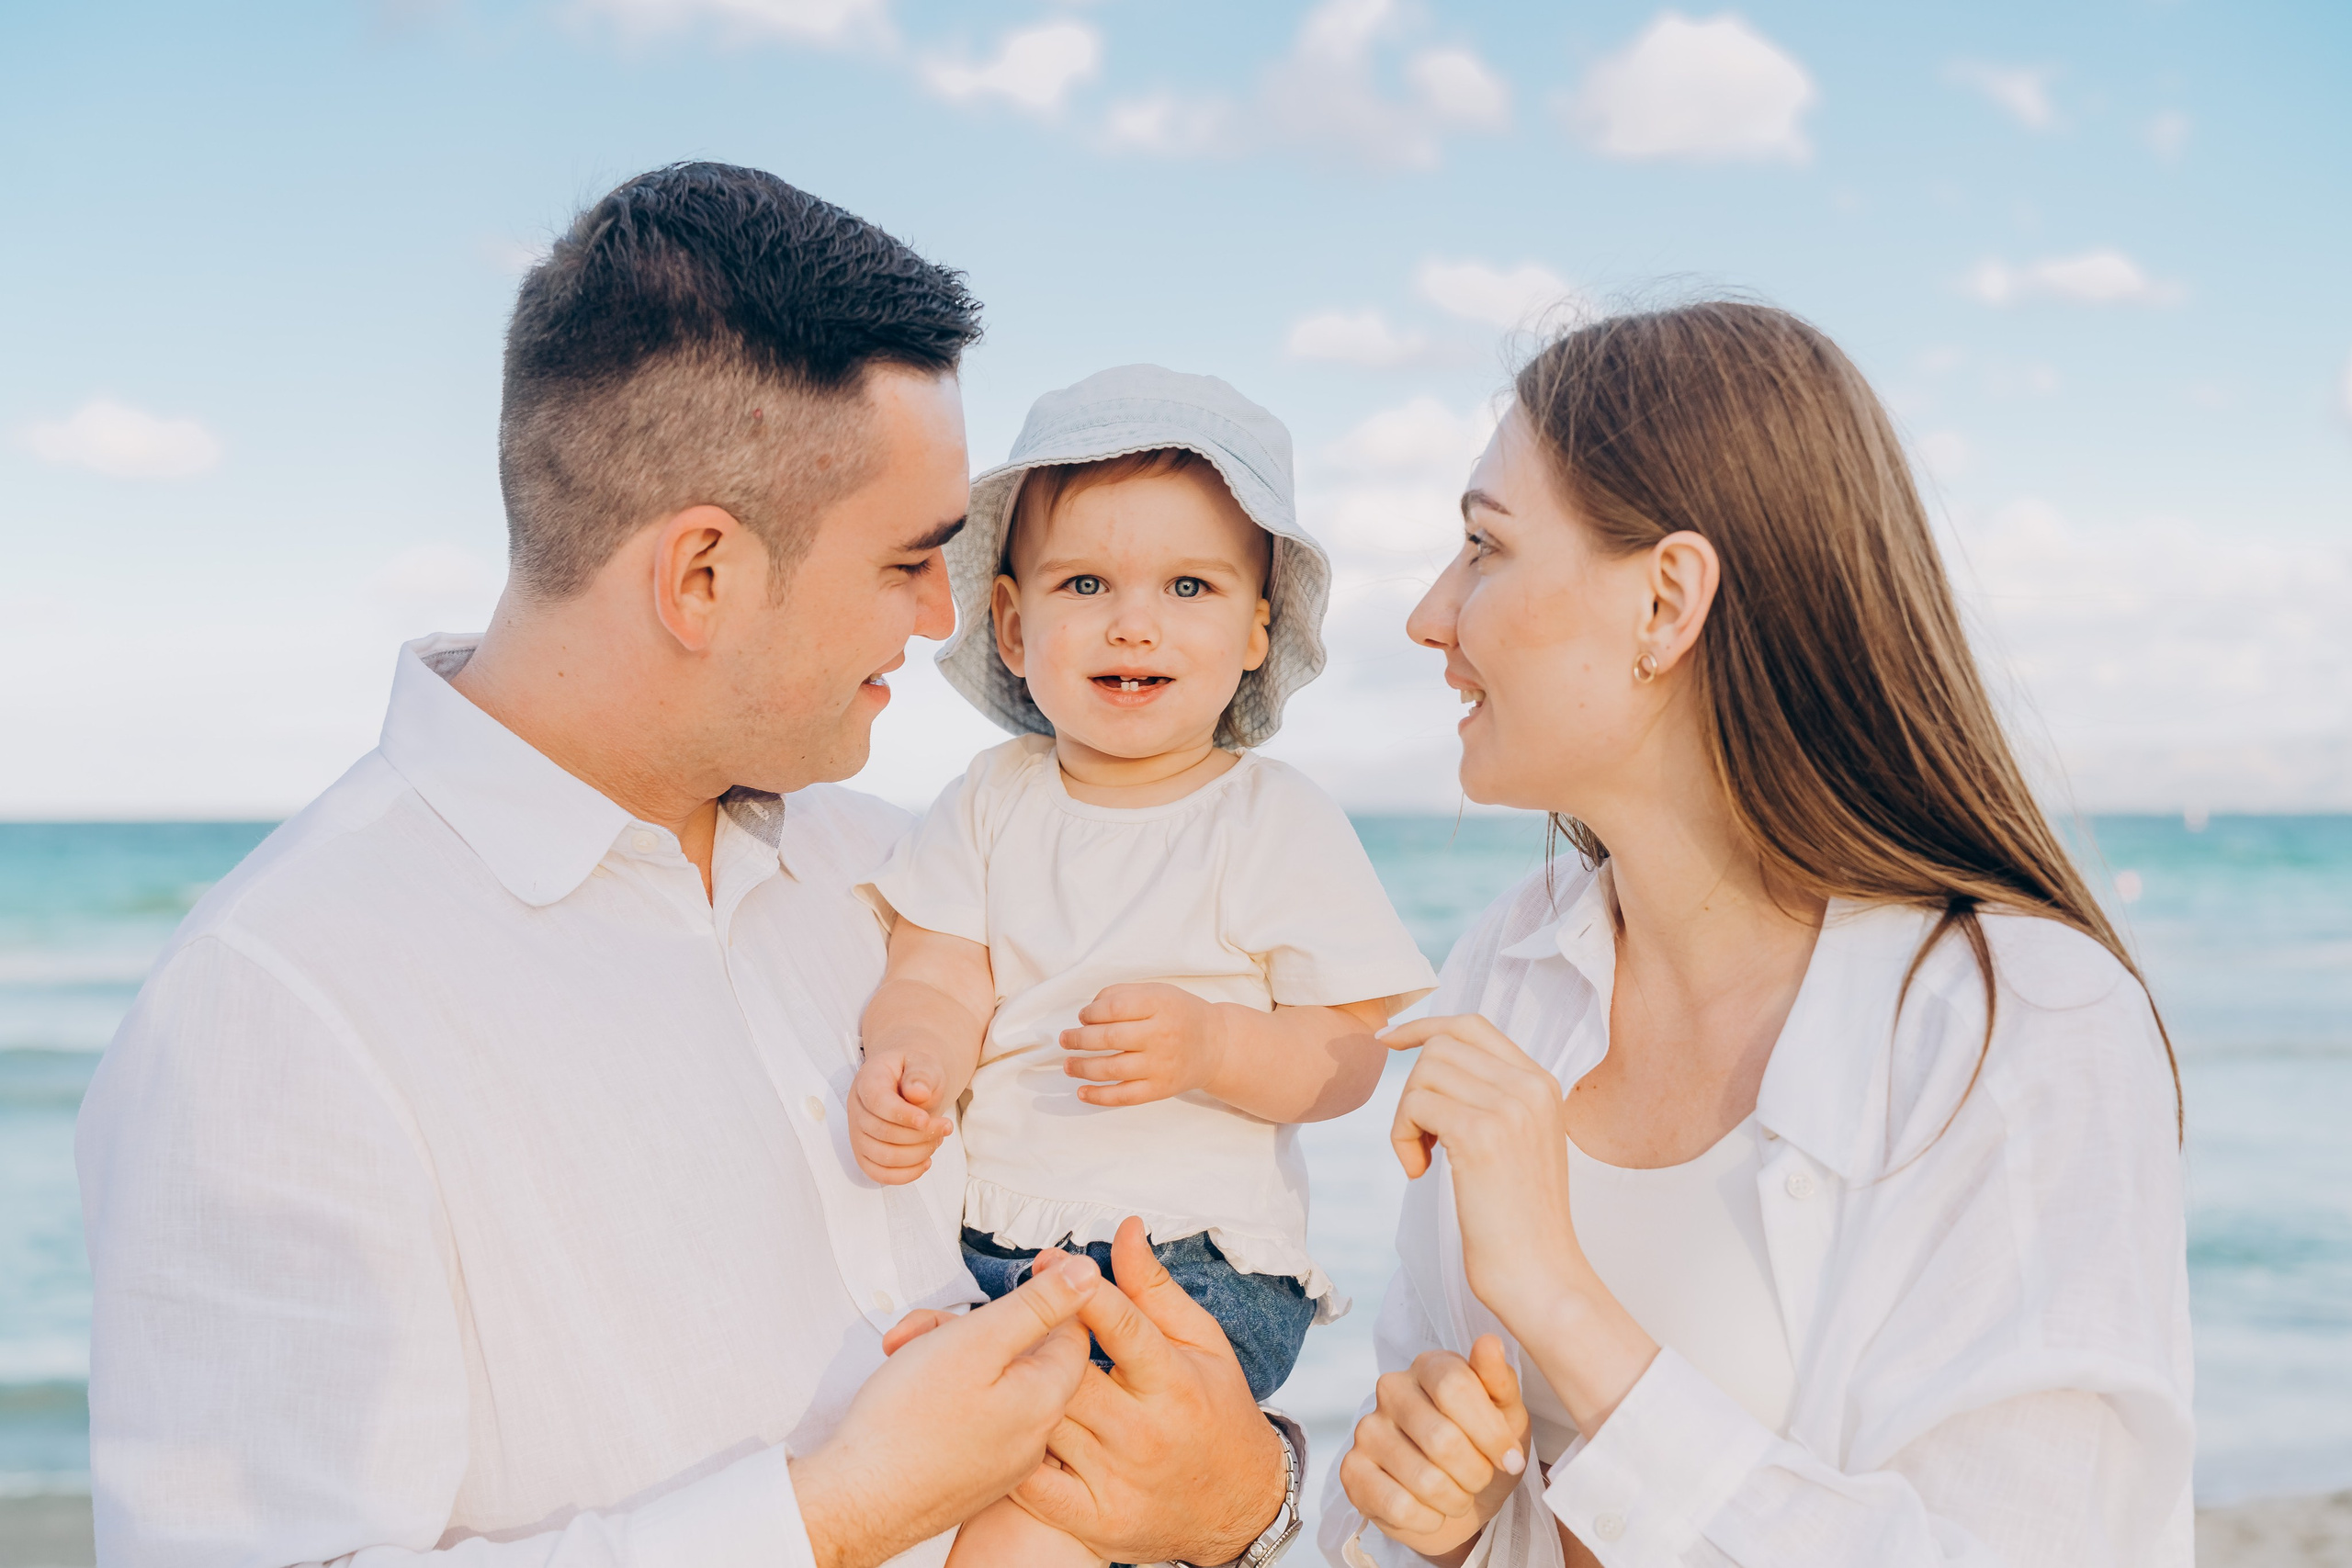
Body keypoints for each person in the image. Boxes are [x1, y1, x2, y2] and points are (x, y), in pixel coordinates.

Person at [75, 163, 1299, 1568]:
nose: (942, 614)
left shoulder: (903, 879)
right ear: (702, 576)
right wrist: (835, 1516)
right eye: (910, 559)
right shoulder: (273, 1014)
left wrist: (1243, 1504)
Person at [1322, 302, 2193, 1566]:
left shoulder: (2018, 1027)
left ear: (1667, 601)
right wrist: (1437, 1525)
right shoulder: (1503, 976)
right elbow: (1394, 1512)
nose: (1427, 615)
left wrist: (1563, 1302)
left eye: (1482, 549)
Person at [847, 367, 1439, 1564]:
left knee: (1033, 1514)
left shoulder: (1271, 818)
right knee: (921, 1442)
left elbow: (1347, 1052)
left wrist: (1217, 1045)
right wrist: (909, 1061)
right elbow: (938, 972)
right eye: (1085, 585)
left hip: (1189, 1265)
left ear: (1257, 629)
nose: (1135, 623)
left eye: (1188, 586)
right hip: (997, 1252)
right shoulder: (991, 801)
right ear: (1012, 627)